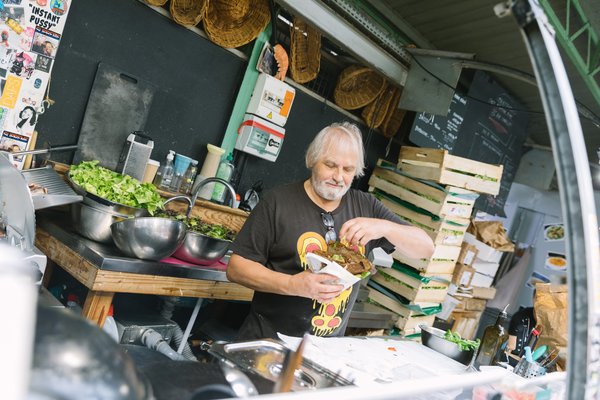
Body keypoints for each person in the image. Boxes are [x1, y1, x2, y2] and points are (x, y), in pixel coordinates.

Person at [227, 122, 434, 340]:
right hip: (266, 343)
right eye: (330, 165)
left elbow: (426, 248)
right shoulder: (277, 202)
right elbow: (237, 268)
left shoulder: (366, 206)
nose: (338, 177)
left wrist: (384, 226)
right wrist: (291, 284)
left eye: (348, 169)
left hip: (324, 353)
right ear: (312, 160)